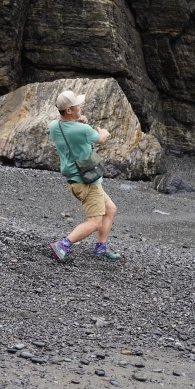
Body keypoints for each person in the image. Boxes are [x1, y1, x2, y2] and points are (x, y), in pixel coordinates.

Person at [48, 90, 121, 261]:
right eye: (78, 105)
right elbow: (100, 139)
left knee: (110, 209)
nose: (81, 107)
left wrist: (80, 123)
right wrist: (105, 132)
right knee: (95, 222)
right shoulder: (82, 129)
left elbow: (73, 131)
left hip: (75, 180)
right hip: (87, 181)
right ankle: (63, 245)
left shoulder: (54, 126)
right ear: (69, 110)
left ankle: (100, 247)